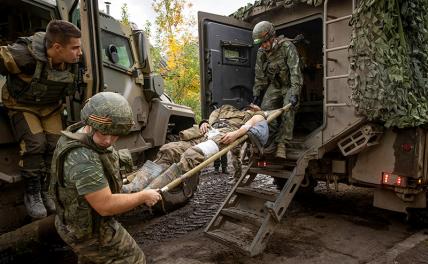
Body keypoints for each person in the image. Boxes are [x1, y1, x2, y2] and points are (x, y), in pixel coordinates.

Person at [49, 92, 162, 263]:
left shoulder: (77, 133)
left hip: (76, 224)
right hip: (92, 233)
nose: (109, 141)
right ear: (90, 124)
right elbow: (105, 205)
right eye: (103, 134)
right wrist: (143, 196)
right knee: (134, 259)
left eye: (115, 135)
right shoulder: (83, 158)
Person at [0, 20, 83, 218]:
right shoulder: (23, 54)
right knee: (35, 144)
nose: (79, 52)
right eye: (75, 48)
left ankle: (47, 190)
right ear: (56, 47)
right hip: (22, 104)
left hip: (50, 107)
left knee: (56, 145)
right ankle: (33, 192)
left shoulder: (75, 58)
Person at [123, 104, 269, 193]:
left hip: (223, 137)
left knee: (191, 155)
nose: (252, 105)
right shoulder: (225, 109)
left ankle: (148, 192)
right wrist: (203, 123)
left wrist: (236, 133)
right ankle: (135, 186)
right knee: (168, 149)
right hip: (204, 134)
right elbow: (211, 117)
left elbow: (257, 120)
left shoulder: (251, 115)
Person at [251, 21, 303, 159]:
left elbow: (295, 72)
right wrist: (256, 94)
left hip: (290, 85)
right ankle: (271, 138)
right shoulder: (261, 52)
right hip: (275, 86)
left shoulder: (287, 47)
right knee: (264, 109)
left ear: (272, 37)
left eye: (266, 42)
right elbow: (259, 76)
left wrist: (295, 93)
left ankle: (282, 144)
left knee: (289, 109)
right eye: (261, 43)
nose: (264, 46)